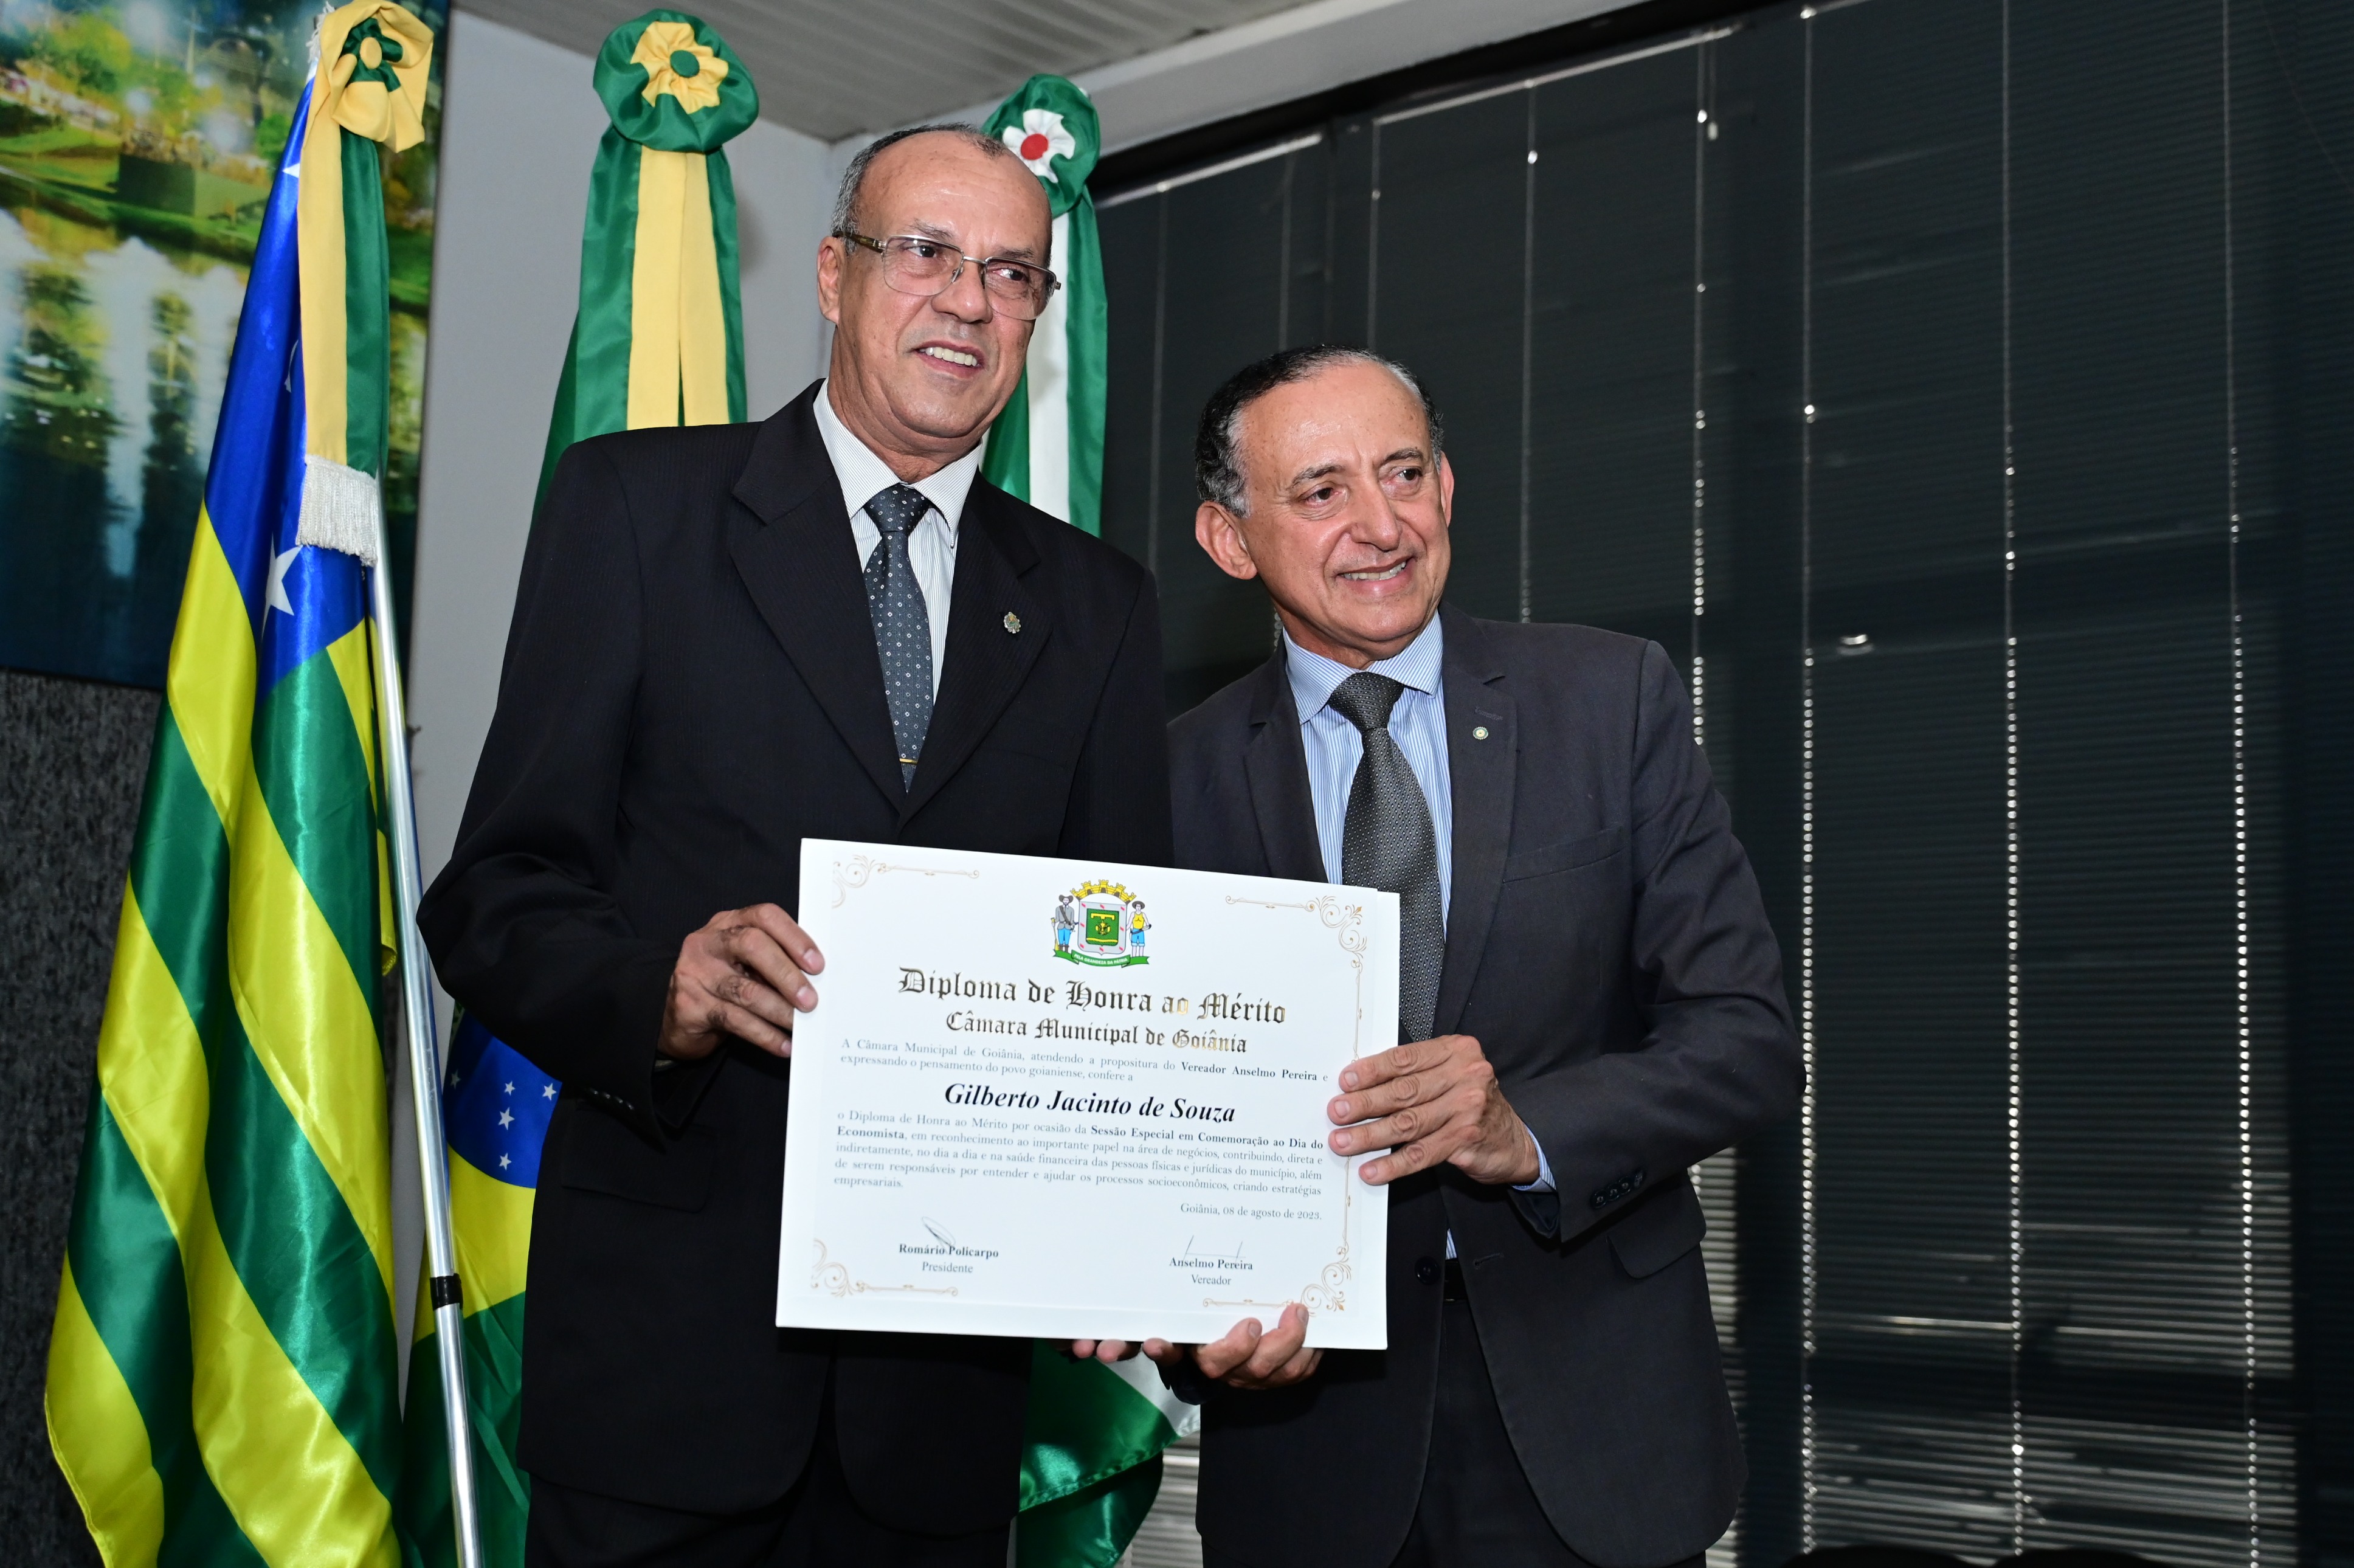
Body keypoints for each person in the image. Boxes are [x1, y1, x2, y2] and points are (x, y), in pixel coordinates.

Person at [418, 125, 1170, 1568]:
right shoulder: (635, 507)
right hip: (663, 1379)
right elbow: (497, 893)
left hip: (936, 1413)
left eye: (1011, 272)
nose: (968, 300)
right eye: (926, 252)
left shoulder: (1098, 606)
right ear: (834, 274)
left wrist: (1148, 1235)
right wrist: (660, 991)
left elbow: (1117, 969)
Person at [1090, 345, 1801, 1568]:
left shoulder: (1610, 701)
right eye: (1321, 491)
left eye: (1403, 472)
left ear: (1449, 485)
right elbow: (1137, 1103)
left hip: (1595, 1414)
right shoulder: (1164, 780)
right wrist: (1198, 1314)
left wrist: (1525, 1133)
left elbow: (1746, 1042)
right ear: (1229, 538)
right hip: (1308, 1441)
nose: (1381, 524)